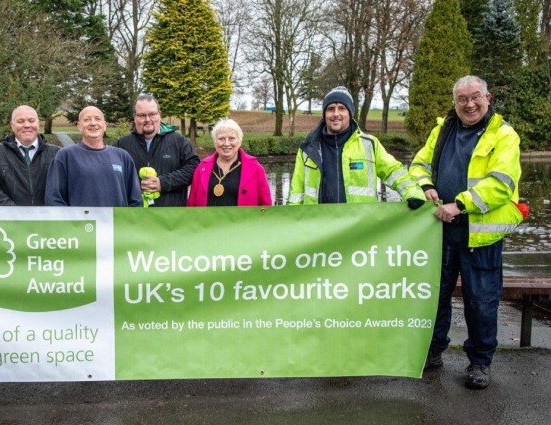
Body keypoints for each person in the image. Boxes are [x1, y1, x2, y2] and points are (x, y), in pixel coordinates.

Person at [410, 76, 523, 389]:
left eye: (475, 97)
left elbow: (501, 184)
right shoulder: (442, 130)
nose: (469, 104)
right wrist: (426, 186)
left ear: (487, 97)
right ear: (454, 102)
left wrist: (459, 204)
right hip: (440, 231)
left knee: (481, 300)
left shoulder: (503, 135)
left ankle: (479, 362)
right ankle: (433, 351)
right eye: (462, 99)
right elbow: (418, 165)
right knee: (434, 295)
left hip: (480, 234)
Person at [287, 86, 425, 207]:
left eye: (342, 108)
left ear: (350, 113)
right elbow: (296, 194)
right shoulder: (308, 149)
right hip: (319, 229)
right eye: (330, 109)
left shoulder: (369, 144)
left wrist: (412, 192)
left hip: (360, 228)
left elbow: (393, 171)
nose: (336, 114)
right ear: (324, 114)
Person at [45, 106, 142, 207]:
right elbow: (54, 199)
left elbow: (136, 200)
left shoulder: (123, 157)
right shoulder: (65, 156)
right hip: (81, 222)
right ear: (79, 126)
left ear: (105, 125)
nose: (93, 123)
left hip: (116, 222)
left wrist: (125, 222)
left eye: (97, 119)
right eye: (87, 119)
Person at [114, 94, 200, 206]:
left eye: (152, 114)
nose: (148, 119)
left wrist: (163, 183)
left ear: (159, 115)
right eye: (142, 115)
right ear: (135, 117)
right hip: (134, 217)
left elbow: (194, 168)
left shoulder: (179, 141)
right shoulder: (122, 145)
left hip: (170, 218)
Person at [0, 105, 61, 205]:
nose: (27, 125)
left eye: (31, 120)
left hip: (47, 218)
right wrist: (17, 214)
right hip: (10, 218)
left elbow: (65, 188)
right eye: (20, 121)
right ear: (12, 125)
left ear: (38, 123)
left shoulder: (57, 153)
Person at [187, 119, 272, 206]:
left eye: (231, 138)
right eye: (221, 139)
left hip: (243, 220)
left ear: (239, 141)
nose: (226, 143)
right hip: (209, 220)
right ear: (215, 142)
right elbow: (192, 205)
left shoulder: (255, 168)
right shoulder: (201, 168)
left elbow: (266, 205)